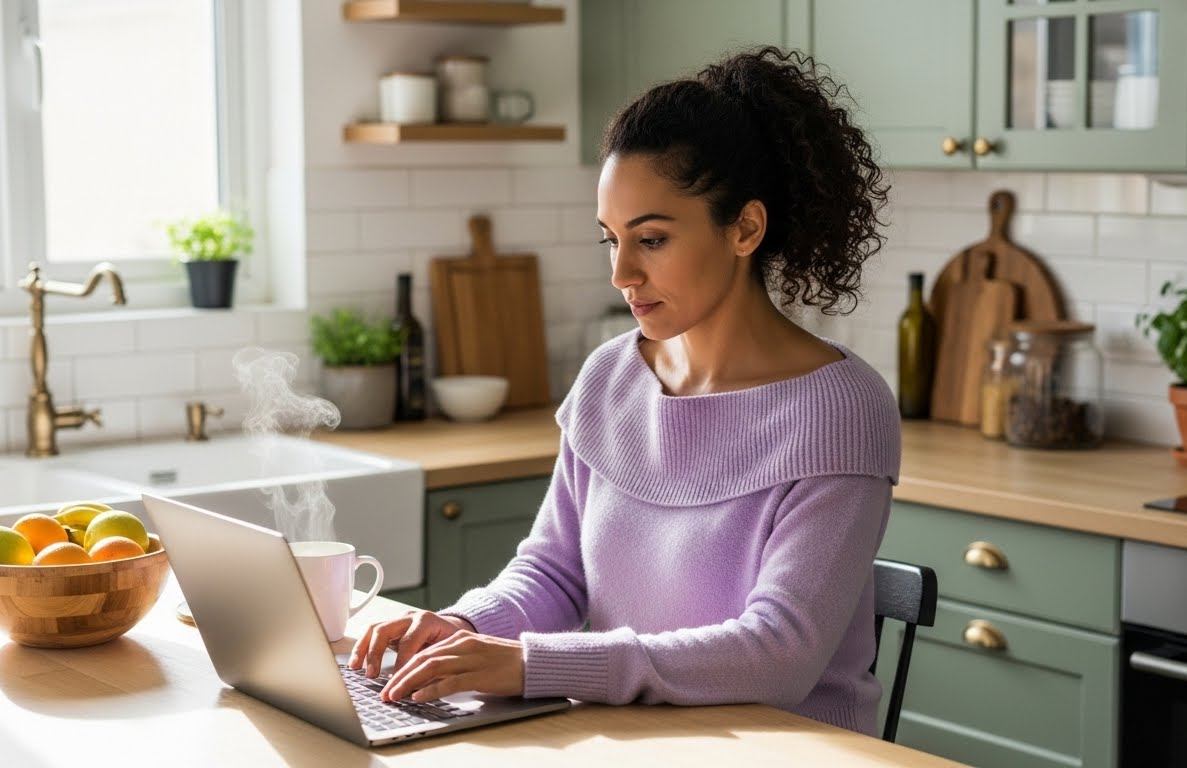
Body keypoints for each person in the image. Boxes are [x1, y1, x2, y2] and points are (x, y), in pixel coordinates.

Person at [349, 45, 899, 736]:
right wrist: (459, 627)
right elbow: (554, 574)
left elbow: (778, 652)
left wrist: (531, 664)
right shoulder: (610, 376)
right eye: (610, 239)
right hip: (636, 740)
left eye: (652, 239)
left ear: (745, 228)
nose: (622, 273)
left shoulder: (840, 409)